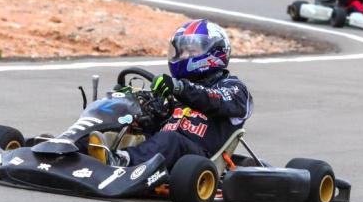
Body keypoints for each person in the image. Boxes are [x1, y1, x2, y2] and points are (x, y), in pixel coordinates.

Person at [100, 19, 253, 169]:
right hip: (163, 151)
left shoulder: (234, 88)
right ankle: (84, 149)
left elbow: (211, 98)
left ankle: (122, 160)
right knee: (120, 122)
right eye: (182, 51)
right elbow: (153, 123)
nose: (185, 55)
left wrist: (179, 88)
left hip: (198, 159)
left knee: (170, 139)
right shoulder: (176, 91)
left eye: (192, 51)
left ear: (214, 53)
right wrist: (131, 105)